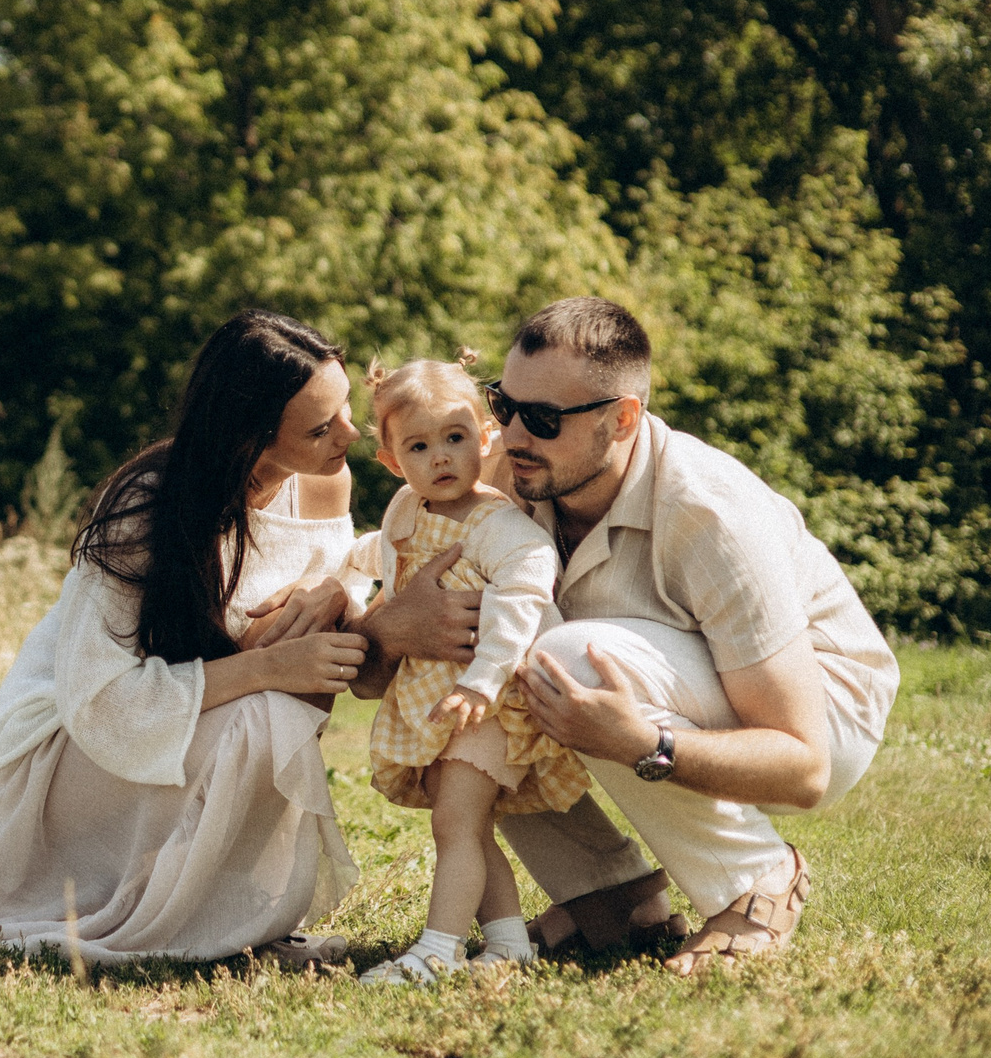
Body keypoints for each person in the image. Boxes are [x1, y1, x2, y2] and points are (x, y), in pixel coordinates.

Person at [0, 309, 374, 964]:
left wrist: (341, 594)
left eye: (345, 408)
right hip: (72, 743)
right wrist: (270, 669)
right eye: (322, 426)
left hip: (184, 717)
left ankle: (232, 921)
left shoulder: (326, 480)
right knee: (266, 713)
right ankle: (189, 927)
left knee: (283, 708)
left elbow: (334, 576)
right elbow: (102, 702)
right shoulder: (148, 509)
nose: (352, 431)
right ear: (249, 436)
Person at [353, 296, 899, 974]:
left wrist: (646, 744)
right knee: (492, 656)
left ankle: (756, 880)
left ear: (622, 418)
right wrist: (386, 621)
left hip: (820, 710)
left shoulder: (710, 514)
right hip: (657, 674)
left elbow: (806, 765)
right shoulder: (515, 470)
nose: (513, 435)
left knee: (559, 659)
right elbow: (400, 581)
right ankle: (611, 896)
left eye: (545, 419)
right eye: (503, 405)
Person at [343, 356, 585, 986]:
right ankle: (508, 945)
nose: (441, 458)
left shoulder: (498, 523)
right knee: (465, 827)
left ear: (486, 439)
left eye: (455, 438)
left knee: (456, 823)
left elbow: (521, 598)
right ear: (394, 462)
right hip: (442, 697)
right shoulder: (407, 508)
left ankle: (437, 950)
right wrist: (335, 577)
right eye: (419, 447)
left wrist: (483, 679)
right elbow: (378, 551)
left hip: (494, 698)